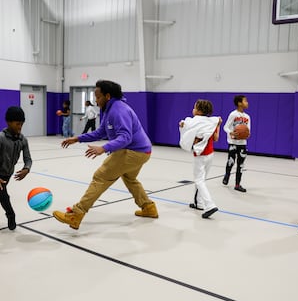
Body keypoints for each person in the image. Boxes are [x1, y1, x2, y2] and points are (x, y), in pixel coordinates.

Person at [53, 80, 158, 230]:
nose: (96, 100)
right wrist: (78, 138)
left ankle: (76, 214)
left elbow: (125, 137)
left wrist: (104, 148)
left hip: (133, 151)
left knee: (100, 177)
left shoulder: (119, 110)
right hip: (142, 151)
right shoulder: (108, 109)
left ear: (107, 96)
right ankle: (148, 207)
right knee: (130, 178)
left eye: (98, 97)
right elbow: (101, 132)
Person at [179, 99, 222, 219]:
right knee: (202, 179)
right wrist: (218, 125)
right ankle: (199, 203)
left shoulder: (193, 122)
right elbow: (216, 138)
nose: (193, 109)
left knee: (199, 180)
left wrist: (182, 125)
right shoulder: (212, 122)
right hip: (210, 155)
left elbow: (185, 125)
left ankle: (210, 205)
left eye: (194, 107)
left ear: (198, 110)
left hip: (200, 156)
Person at [0, 106, 32, 230]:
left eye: (22, 124)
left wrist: (26, 169)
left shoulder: (23, 139)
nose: (20, 127)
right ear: (8, 122)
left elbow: (28, 159)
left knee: (2, 196)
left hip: (6, 175)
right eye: (17, 124)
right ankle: (11, 215)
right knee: (3, 196)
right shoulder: (1, 138)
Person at [222, 95, 251, 192]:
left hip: (242, 143)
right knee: (231, 161)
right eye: (245, 101)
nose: (247, 103)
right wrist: (230, 132)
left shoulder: (247, 117)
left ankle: (237, 185)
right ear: (239, 103)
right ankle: (227, 174)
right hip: (233, 142)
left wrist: (247, 134)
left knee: (241, 164)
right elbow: (225, 127)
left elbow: (248, 130)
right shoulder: (233, 114)